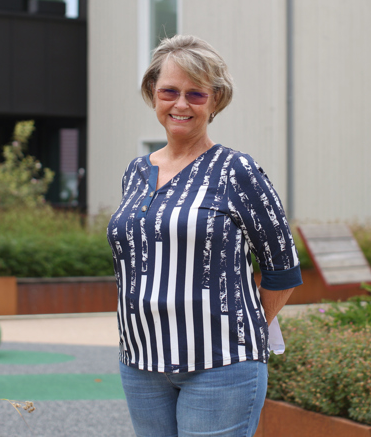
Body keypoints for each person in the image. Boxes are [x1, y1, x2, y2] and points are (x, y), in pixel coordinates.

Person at [107, 35, 302, 437]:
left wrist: (235, 329)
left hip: (221, 366)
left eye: (195, 94)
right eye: (169, 92)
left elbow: (283, 268)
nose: (181, 104)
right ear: (153, 94)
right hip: (141, 362)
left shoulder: (237, 170)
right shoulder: (136, 172)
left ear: (216, 101)